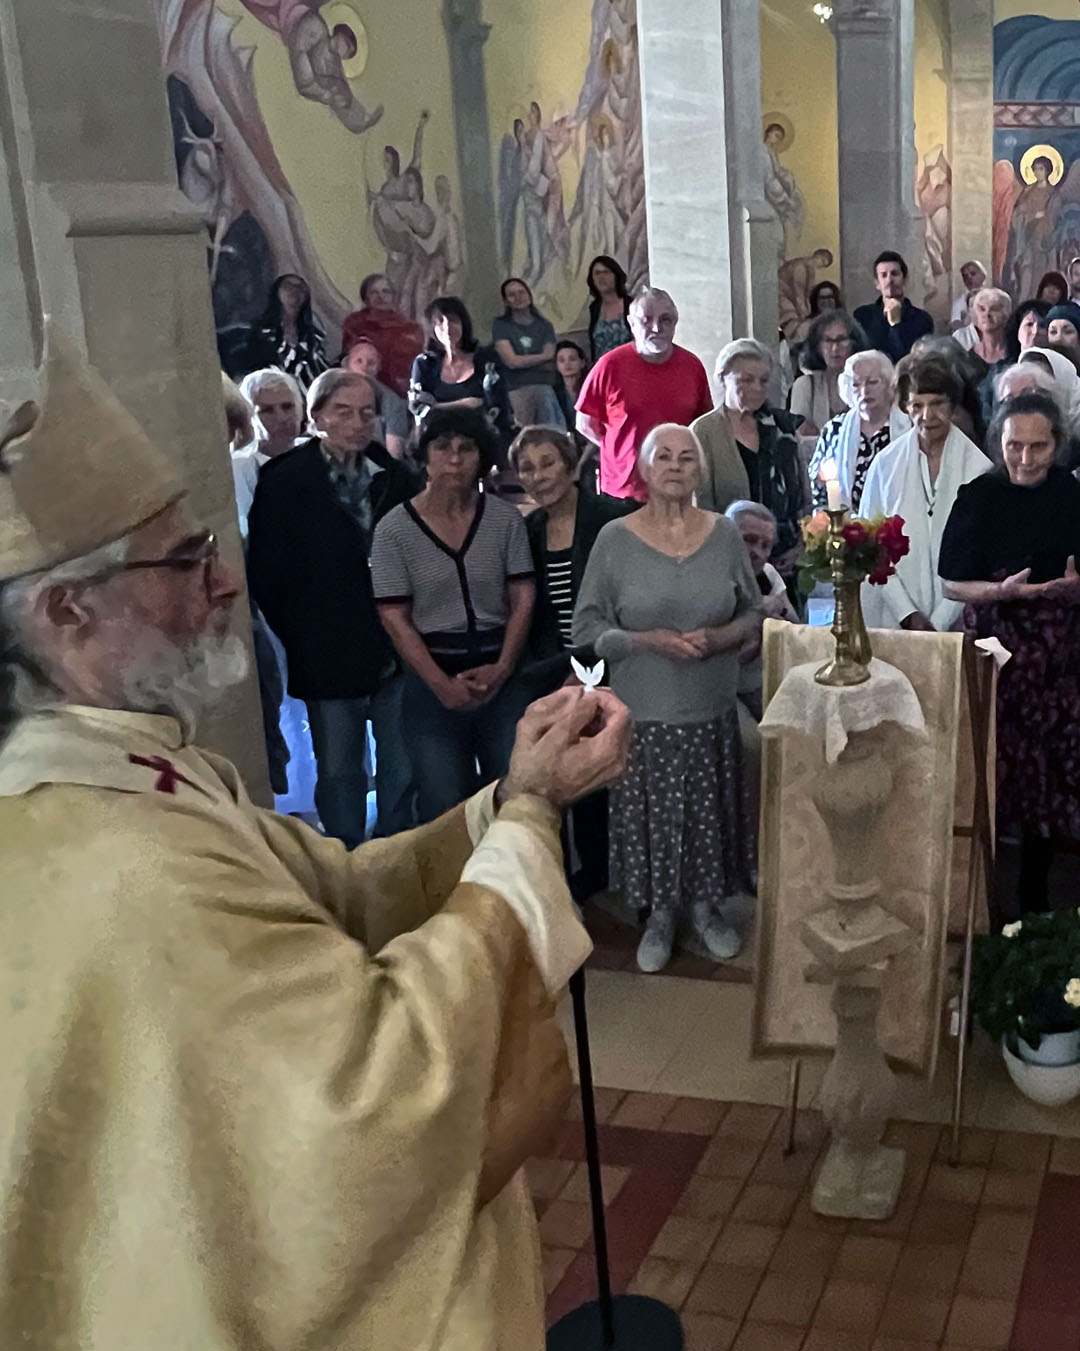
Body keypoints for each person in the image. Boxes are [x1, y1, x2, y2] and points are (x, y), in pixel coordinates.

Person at [0, 325, 634, 1351]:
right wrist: (523, 828)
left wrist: (507, 797)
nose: (223, 584)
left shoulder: (141, 766)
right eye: (185, 557)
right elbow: (377, 1091)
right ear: (69, 609)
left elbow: (330, 888)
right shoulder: (109, 856)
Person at [573, 423, 762, 973]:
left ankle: (707, 911)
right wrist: (642, 641)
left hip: (709, 704)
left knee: (707, 815)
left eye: (687, 457)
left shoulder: (724, 535)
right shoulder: (615, 540)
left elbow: (751, 611)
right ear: (643, 467)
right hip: (645, 710)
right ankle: (658, 917)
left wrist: (722, 638)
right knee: (651, 818)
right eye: (664, 456)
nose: (677, 465)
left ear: (700, 469)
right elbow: (587, 626)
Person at [248, 368, 419, 846]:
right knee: (340, 767)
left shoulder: (396, 477)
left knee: (400, 763)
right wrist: (302, 634)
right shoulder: (284, 480)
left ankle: (396, 849)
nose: (357, 423)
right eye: (343, 412)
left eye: (367, 413)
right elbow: (266, 574)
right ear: (318, 415)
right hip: (325, 647)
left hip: (394, 645)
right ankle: (345, 859)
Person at [940, 391, 1080, 914]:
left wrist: (1073, 589)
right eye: (1014, 446)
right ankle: (987, 902)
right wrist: (999, 593)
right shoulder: (979, 495)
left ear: (1057, 445)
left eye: (1038, 447)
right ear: (999, 444)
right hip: (998, 654)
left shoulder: (1070, 493)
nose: (1025, 458)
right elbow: (952, 583)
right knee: (996, 773)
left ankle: (1041, 896)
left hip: (1060, 660)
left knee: (1049, 780)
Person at [371, 409, 536, 823]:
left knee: (515, 793)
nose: (456, 459)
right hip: (432, 679)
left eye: (467, 448)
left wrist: (502, 668)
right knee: (444, 800)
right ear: (424, 456)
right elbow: (393, 616)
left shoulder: (504, 520)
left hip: (500, 674)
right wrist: (441, 684)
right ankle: (451, 886)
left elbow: (523, 595)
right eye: (442, 447)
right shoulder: (394, 529)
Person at [511, 425, 637, 898]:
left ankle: (627, 870)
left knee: (614, 763)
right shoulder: (526, 531)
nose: (539, 476)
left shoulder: (611, 518)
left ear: (570, 465)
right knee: (568, 766)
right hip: (554, 669)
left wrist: (590, 667)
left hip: (611, 661)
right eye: (527, 467)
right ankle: (588, 870)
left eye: (548, 463)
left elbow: (623, 602)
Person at [860, 354, 991, 632]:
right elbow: (870, 547)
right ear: (906, 408)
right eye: (917, 405)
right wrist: (906, 612)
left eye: (937, 404)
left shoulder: (979, 469)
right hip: (893, 617)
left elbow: (980, 555)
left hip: (960, 619)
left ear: (954, 406)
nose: (927, 416)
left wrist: (939, 622)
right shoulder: (885, 465)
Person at [575, 287, 713, 501]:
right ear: (631, 323)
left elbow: (702, 425)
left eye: (665, 320)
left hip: (676, 490)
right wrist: (620, 451)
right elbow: (585, 424)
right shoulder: (609, 365)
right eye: (646, 320)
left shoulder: (692, 366)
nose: (656, 328)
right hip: (623, 492)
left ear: (675, 324)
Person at [691, 339, 805, 573]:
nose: (757, 388)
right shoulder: (704, 431)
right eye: (746, 380)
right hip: (729, 564)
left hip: (786, 559)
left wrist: (801, 545)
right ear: (723, 378)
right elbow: (701, 505)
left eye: (763, 381)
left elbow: (803, 494)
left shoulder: (782, 426)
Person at [808, 350, 911, 513]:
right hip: (847, 523)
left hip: (897, 523)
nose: (864, 391)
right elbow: (817, 488)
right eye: (856, 384)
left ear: (888, 384)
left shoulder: (909, 427)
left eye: (872, 382)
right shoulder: (835, 429)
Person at [410, 296, 513, 449]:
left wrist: (437, 406)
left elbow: (497, 408)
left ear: (464, 323)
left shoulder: (487, 359)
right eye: (439, 321)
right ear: (431, 328)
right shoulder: (424, 363)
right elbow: (419, 408)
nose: (447, 327)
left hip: (484, 439)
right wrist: (466, 404)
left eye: (453, 320)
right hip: (439, 441)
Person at [232, 368, 305, 535]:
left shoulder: (316, 450)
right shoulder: (240, 468)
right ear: (249, 417)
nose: (282, 418)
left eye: (288, 407)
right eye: (267, 411)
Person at [491, 278, 564, 428]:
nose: (518, 297)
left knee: (553, 431)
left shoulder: (544, 325)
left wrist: (523, 361)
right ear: (506, 301)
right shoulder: (501, 325)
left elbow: (551, 356)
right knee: (524, 435)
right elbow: (511, 361)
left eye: (521, 292)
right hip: (516, 388)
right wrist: (541, 359)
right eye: (512, 295)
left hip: (544, 385)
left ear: (529, 295)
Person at [340, 272, 425, 398]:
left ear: (393, 296)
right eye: (374, 292)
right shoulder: (354, 324)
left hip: (397, 393)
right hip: (359, 388)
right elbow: (346, 358)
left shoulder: (409, 328)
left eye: (386, 292)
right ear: (365, 297)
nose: (380, 297)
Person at [242, 273, 329, 390]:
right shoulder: (262, 333)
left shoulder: (313, 335)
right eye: (288, 286)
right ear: (277, 292)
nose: (295, 291)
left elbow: (319, 370)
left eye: (300, 287)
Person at [789, 310, 867, 438]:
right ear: (817, 346)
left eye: (841, 340)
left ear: (854, 343)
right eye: (828, 341)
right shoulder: (805, 386)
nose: (835, 348)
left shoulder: (867, 384)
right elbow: (801, 439)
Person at [853, 250, 935, 362]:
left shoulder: (922, 319)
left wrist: (895, 325)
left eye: (894, 274)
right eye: (883, 275)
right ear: (877, 283)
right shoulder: (862, 317)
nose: (889, 280)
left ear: (905, 279)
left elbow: (911, 360)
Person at [342, 337, 410, 459]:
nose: (365, 367)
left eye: (371, 362)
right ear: (347, 365)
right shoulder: (332, 395)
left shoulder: (393, 403)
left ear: (379, 367)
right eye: (359, 361)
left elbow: (394, 457)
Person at [585, 253, 631, 360]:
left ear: (616, 275)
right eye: (597, 273)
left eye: (606, 272)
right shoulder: (594, 308)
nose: (601, 277)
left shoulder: (630, 305)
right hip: (603, 369)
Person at [950, 260, 987, 330]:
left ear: (983, 275)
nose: (969, 278)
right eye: (965, 276)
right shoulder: (959, 303)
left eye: (973, 274)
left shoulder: (994, 297)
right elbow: (955, 325)